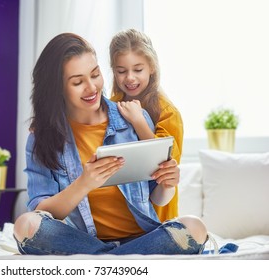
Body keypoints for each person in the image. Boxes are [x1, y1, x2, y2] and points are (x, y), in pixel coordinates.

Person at [13, 32, 208, 255]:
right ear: (57, 88)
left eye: (95, 74)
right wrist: (84, 183)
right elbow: (41, 211)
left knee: (195, 227)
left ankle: (101, 260)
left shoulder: (134, 118)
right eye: (77, 82)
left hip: (141, 237)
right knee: (25, 225)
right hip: (82, 240)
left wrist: (167, 184)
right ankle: (118, 260)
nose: (91, 87)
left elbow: (158, 198)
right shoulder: (42, 137)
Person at [109, 29, 183, 222]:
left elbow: (164, 166)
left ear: (152, 67)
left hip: (157, 217)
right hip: (120, 217)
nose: (130, 78)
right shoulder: (112, 105)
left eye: (138, 70)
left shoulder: (168, 113)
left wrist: (139, 121)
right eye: (121, 71)